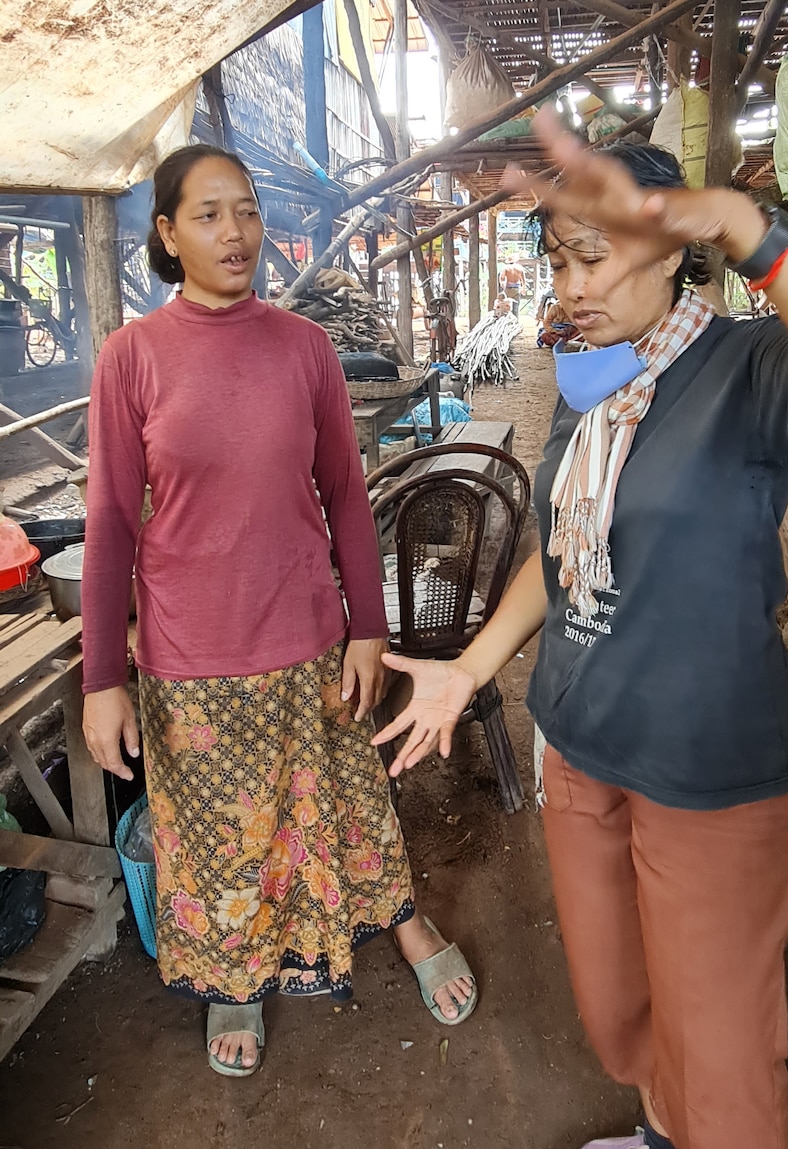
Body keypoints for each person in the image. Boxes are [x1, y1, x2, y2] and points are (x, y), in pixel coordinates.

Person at [373, 107, 788, 1149]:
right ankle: (657, 1131)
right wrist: (468, 670)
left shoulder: (749, 371)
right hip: (581, 753)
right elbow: (556, 553)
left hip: (703, 778)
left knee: (722, 1044)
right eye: (559, 263)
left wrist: (749, 227)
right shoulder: (600, 396)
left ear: (677, 251)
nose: (571, 288)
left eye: (593, 258)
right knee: (619, 1003)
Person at [81, 144, 476, 1078]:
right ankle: (233, 980)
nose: (236, 232)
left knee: (352, 804)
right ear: (169, 235)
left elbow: (344, 490)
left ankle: (408, 924)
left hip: (309, 636)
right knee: (223, 837)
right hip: (189, 655)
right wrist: (105, 678)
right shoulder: (131, 357)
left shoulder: (305, 348)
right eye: (210, 215)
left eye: (248, 211)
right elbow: (107, 524)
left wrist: (369, 626)